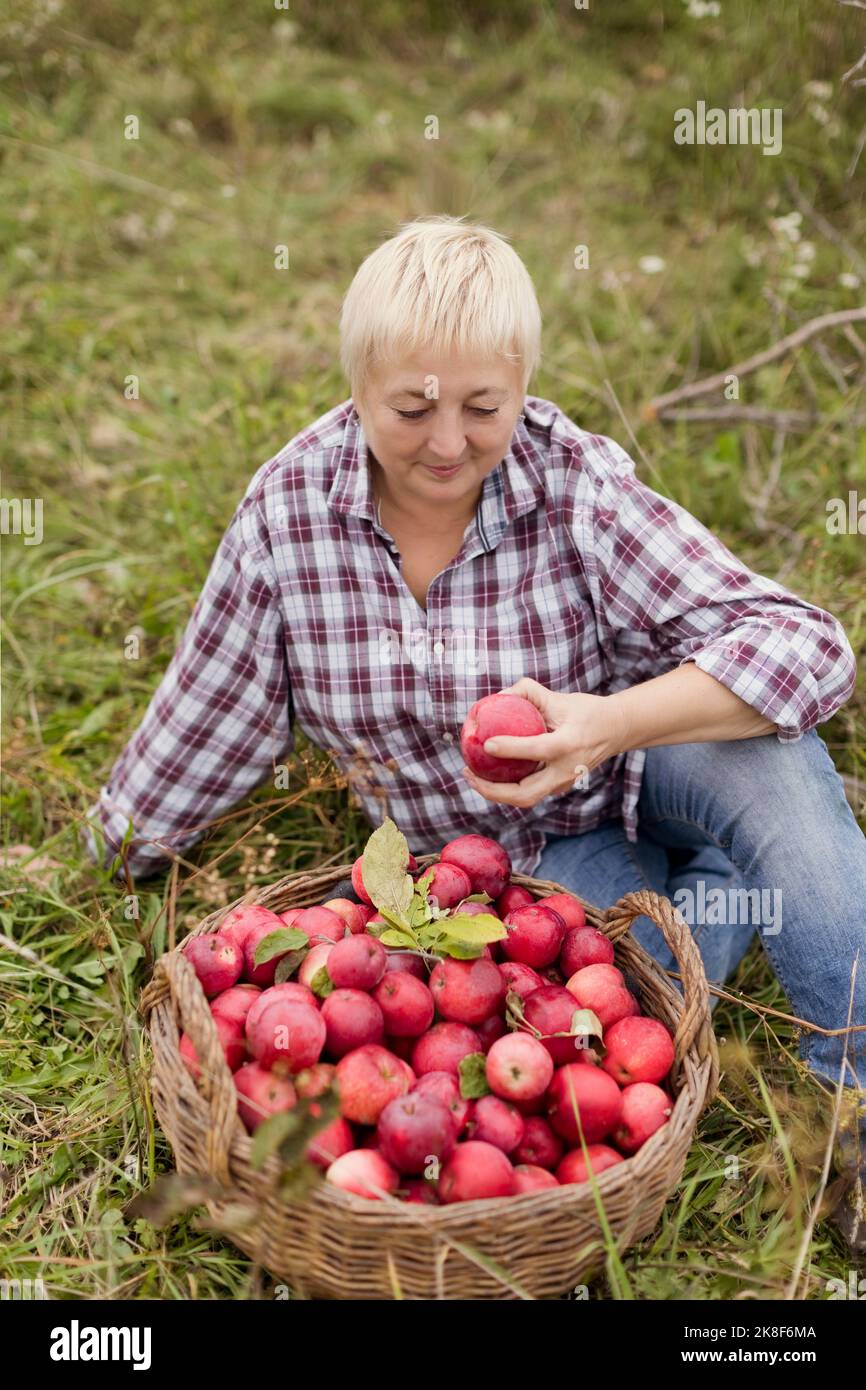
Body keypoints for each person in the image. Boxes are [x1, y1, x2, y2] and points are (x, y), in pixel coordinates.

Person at [86, 214, 865, 1247]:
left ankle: (852, 1099)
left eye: (482, 406)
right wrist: (115, 850)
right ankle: (718, 889)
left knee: (768, 762)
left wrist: (604, 723)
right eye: (410, 407)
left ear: (522, 388)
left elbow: (807, 645)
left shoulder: (569, 482)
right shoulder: (287, 520)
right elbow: (212, 706)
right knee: (592, 1031)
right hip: (508, 872)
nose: (447, 442)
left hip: (642, 756)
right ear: (354, 384)